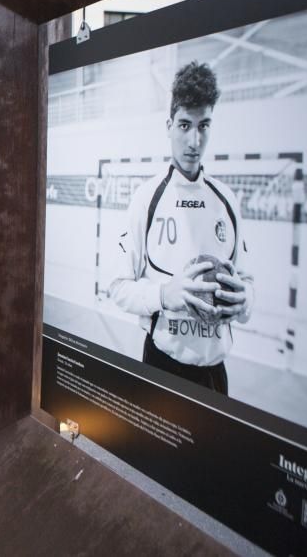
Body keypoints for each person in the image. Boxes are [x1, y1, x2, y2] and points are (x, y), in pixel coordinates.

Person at [109, 62, 253, 395]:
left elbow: (248, 286)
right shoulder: (146, 198)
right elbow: (118, 287)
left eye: (204, 126)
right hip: (162, 363)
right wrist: (164, 294)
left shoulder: (226, 201)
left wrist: (244, 301)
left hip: (214, 374)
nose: (194, 140)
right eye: (185, 125)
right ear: (169, 125)